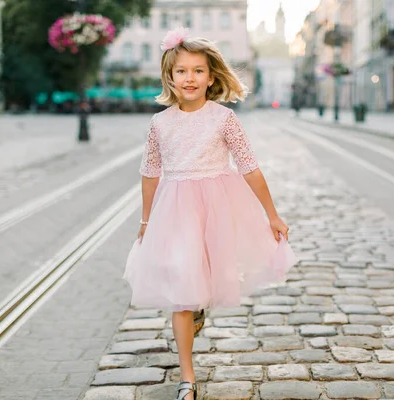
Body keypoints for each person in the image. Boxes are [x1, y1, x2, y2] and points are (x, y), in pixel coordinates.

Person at [122, 27, 298, 400]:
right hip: (176, 209)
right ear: (170, 76)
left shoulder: (224, 119)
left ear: (211, 76)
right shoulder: (159, 124)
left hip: (218, 205)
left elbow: (250, 167)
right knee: (183, 286)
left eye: (198, 71)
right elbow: (150, 175)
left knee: (206, 275)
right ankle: (188, 377)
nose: (190, 78)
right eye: (182, 71)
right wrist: (145, 221)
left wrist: (272, 215)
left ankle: (200, 305)